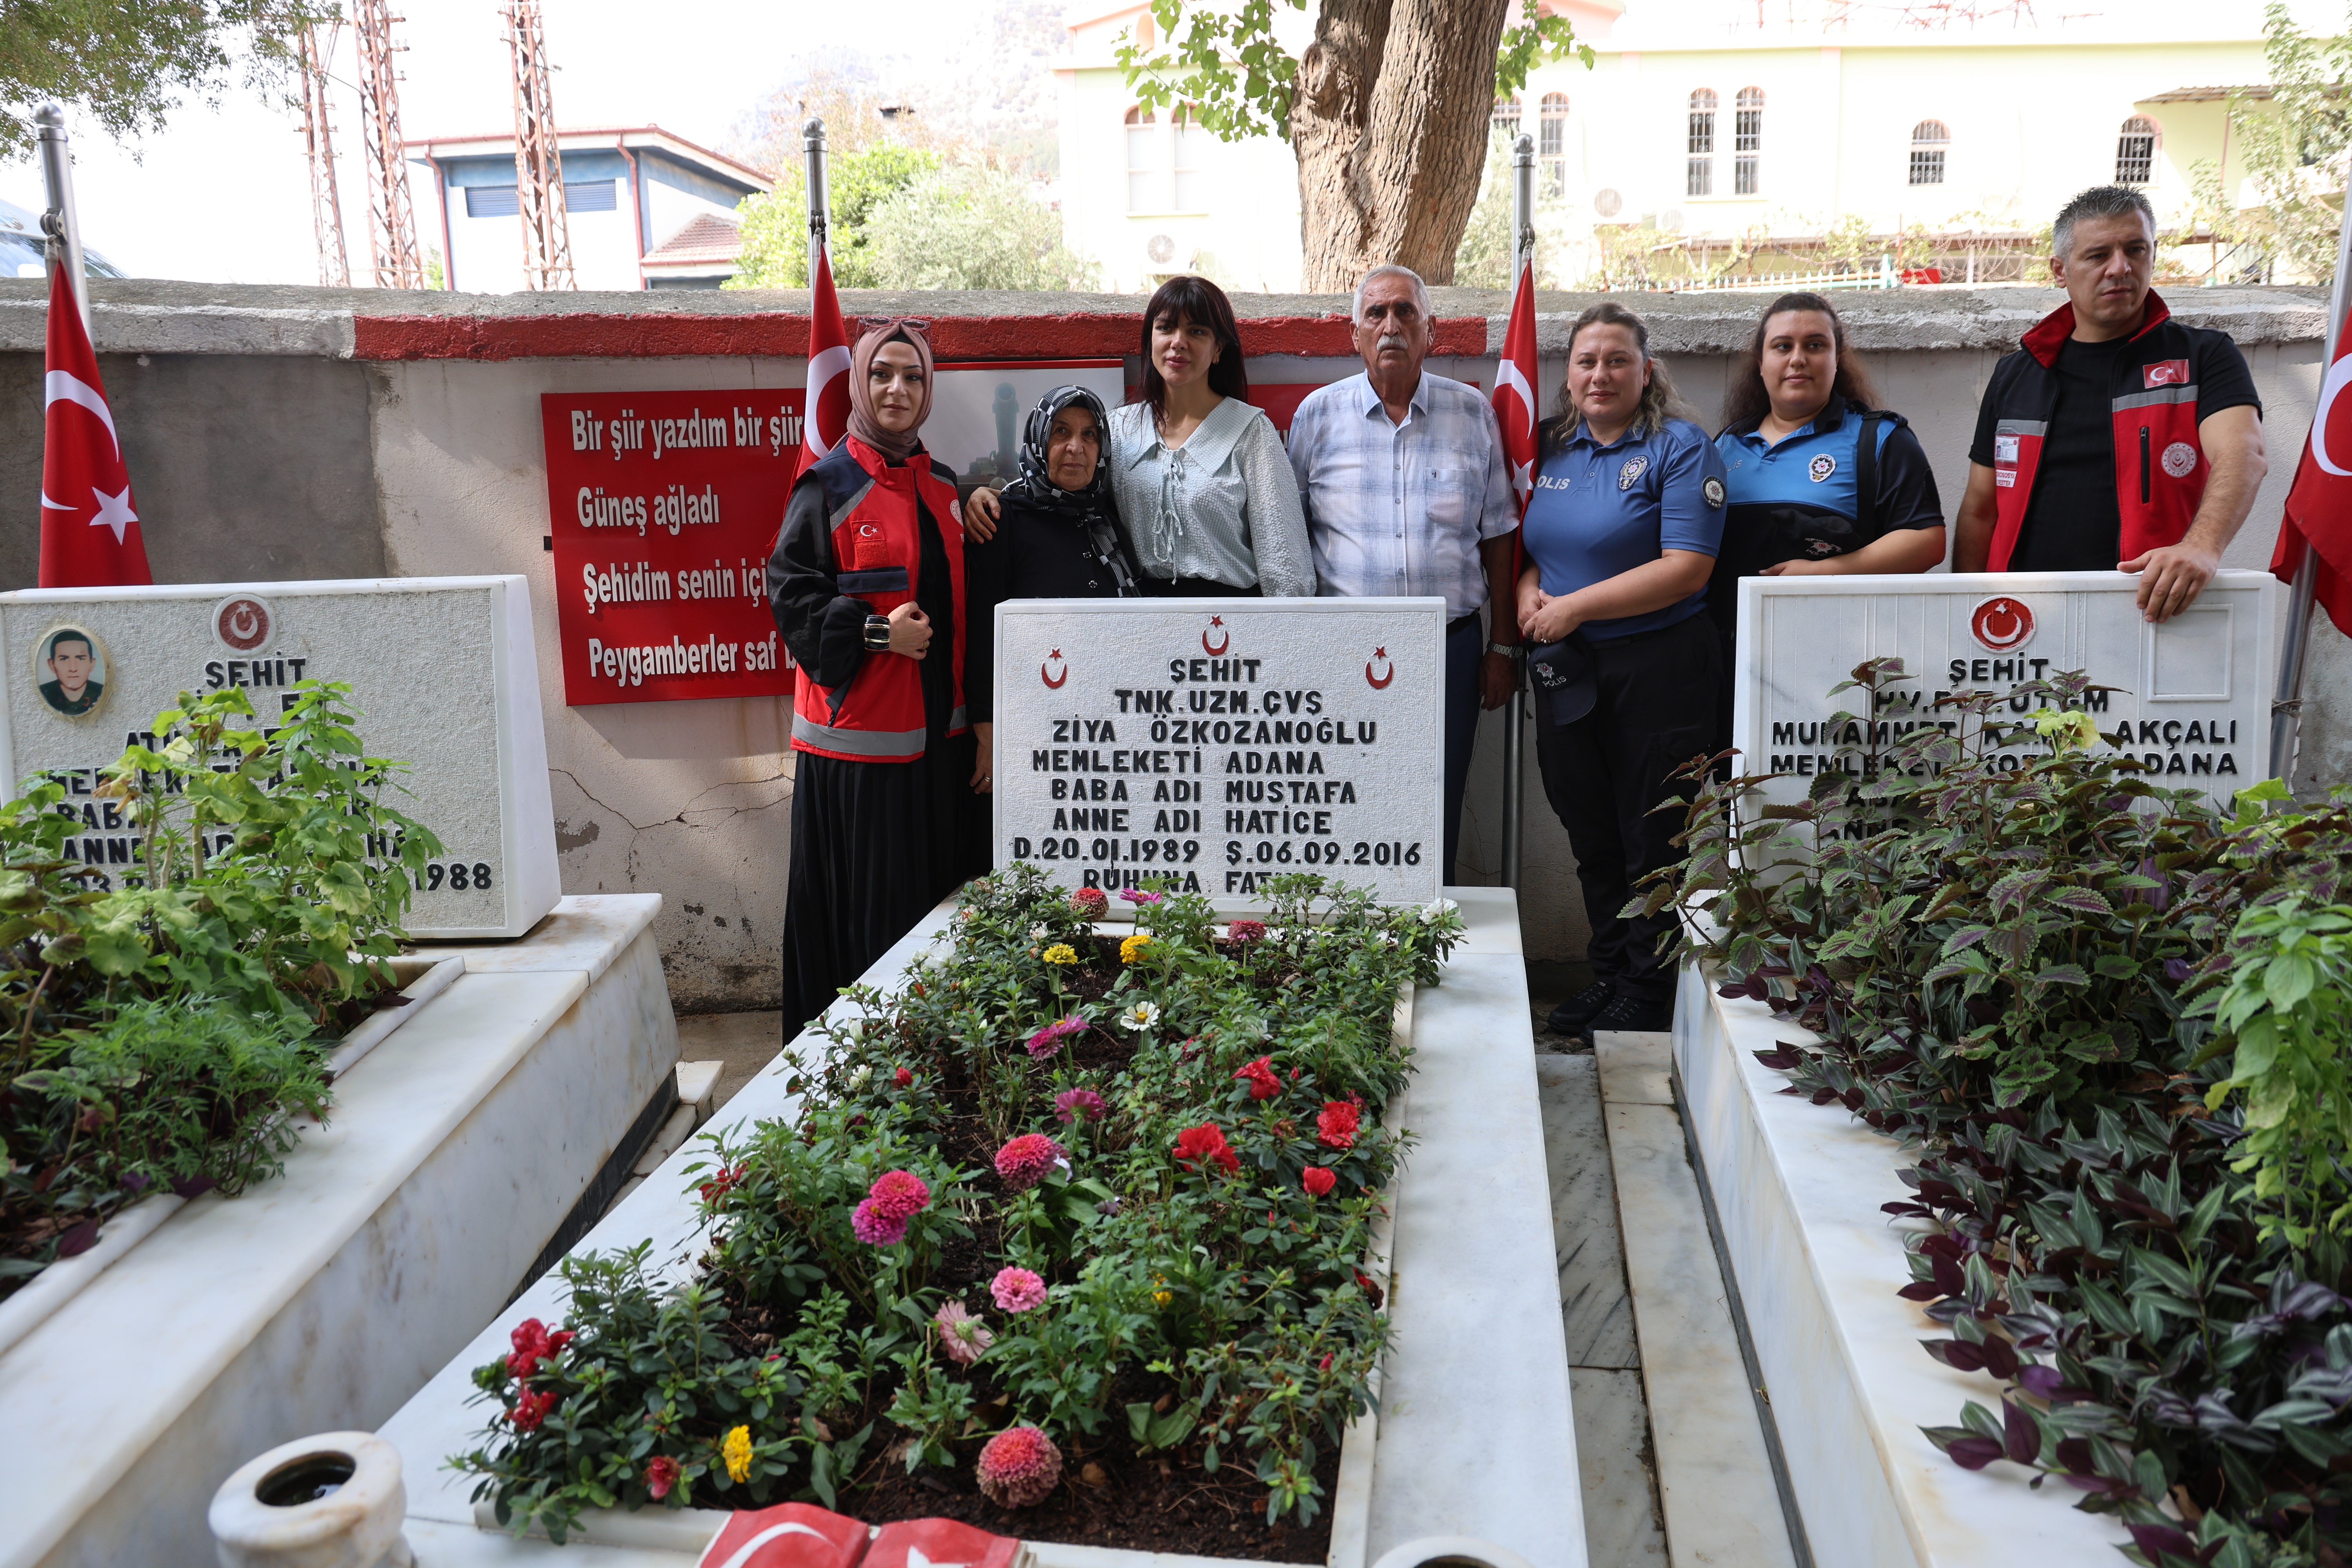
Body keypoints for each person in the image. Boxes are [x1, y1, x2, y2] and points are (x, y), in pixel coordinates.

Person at [768, 319, 991, 1041]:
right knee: (865, 942)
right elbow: (790, 594)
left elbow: (971, 616)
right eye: (884, 374)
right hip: (858, 767)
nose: (899, 389)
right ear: (860, 384)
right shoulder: (827, 484)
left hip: (942, 756)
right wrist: (875, 634)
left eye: (915, 377)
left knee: (933, 937)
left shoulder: (946, 488)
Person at [1518, 302, 1726, 1041]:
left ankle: (1648, 986)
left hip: (1658, 667)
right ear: (1568, 375)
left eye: (1616, 361)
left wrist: (1572, 609)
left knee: (1653, 837)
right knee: (1592, 831)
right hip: (1571, 672)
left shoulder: (1679, 447)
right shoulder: (1555, 449)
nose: (1600, 374)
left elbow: (1686, 569)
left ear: (1647, 372)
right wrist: (1530, 593)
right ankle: (1609, 974)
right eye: (1586, 361)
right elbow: (1540, 548)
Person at [1287, 263, 1520, 886]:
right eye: (1376, 314)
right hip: (1340, 651)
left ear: (1431, 332)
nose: (1391, 325)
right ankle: (1357, 948)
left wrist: (1503, 643)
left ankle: (1425, 942)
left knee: (1435, 800)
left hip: (1450, 648)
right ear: (1354, 334)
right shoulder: (1317, 416)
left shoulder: (1472, 414)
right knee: (1345, 800)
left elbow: (1498, 531)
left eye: (1405, 313)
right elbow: (1290, 537)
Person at [1953, 184, 2266, 622]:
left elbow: (2243, 453)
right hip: (2021, 620)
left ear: (2152, 256)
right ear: (2060, 270)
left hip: (2151, 608)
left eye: (2135, 250)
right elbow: (1980, 509)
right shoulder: (2016, 373)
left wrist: (2202, 546)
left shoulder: (2204, 356)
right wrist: (1963, 609)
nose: (2120, 268)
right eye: (2099, 255)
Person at [963, 276, 1313, 599]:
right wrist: (992, 497)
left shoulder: (1250, 431)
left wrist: (1286, 644)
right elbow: (1064, 500)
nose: (1179, 342)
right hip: (1139, 621)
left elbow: (1285, 564)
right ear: (1151, 340)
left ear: (1219, 349)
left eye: (1197, 331)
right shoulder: (1119, 428)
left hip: (1231, 630)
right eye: (1166, 328)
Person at [1709, 292, 1946, 759]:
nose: (1798, 359)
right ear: (1761, 362)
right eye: (1782, 346)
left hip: (1837, 669)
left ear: (1838, 359)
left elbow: (1927, 541)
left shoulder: (1879, 439)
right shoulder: (1725, 445)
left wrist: (1821, 573)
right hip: (1731, 668)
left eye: (1816, 345)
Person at [964, 385, 1146, 610]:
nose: (1076, 448)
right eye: (1061, 431)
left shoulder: (1109, 522)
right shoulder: (1000, 522)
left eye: (1089, 434)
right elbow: (985, 630)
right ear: (1039, 441)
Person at [39, 631, 102, 716]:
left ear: (92, 664)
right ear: (52, 665)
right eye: (64, 659)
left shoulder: (102, 692)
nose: (73, 669)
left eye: (81, 659)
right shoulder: (43, 694)